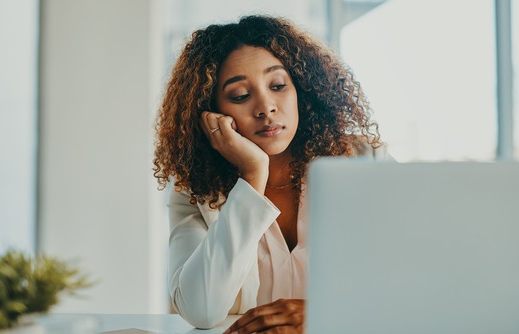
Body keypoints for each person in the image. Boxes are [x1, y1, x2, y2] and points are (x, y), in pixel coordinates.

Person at [153, 15, 390, 333]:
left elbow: (410, 280)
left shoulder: (366, 161)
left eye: (278, 86)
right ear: (211, 114)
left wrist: (326, 313)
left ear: (302, 91)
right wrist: (253, 174)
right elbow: (202, 310)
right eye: (240, 95)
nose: (266, 106)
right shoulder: (196, 190)